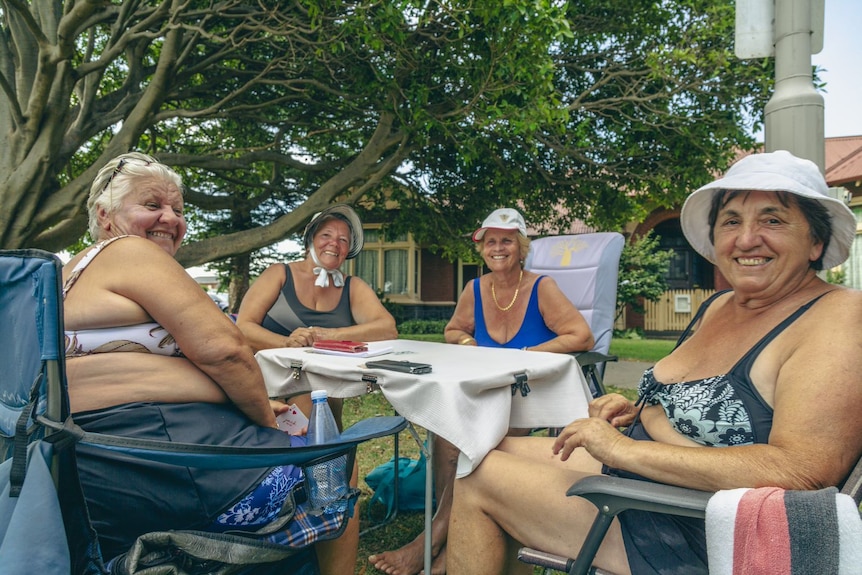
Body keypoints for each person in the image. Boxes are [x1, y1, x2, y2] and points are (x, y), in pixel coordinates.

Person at [446, 151, 862, 575]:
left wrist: (622, 449)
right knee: (484, 449)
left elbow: (803, 471)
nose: (747, 238)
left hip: (693, 523)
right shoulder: (720, 305)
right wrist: (634, 411)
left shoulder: (837, 316)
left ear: (816, 241)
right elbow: (695, 399)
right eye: (732, 221)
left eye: (772, 220)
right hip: (645, 476)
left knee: (479, 477)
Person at [63, 152, 351, 573]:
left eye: (178, 210)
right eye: (152, 205)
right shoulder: (129, 252)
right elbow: (227, 351)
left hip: (101, 472)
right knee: (332, 465)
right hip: (167, 465)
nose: (171, 218)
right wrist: (261, 420)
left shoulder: (69, 274)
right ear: (106, 215)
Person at [369, 207, 594, 575]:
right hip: (485, 389)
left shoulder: (542, 287)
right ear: (482, 249)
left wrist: (523, 355)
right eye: (491, 241)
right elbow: (453, 330)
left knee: (482, 439)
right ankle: (451, 540)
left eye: (506, 240)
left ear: (521, 247)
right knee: (446, 437)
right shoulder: (474, 288)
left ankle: (434, 538)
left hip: (528, 394)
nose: (498, 248)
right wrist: (467, 340)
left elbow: (580, 336)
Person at [236, 203, 397, 574]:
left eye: (344, 239)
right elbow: (243, 326)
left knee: (327, 441)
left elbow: (386, 327)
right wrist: (286, 341)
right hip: (274, 393)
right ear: (310, 238)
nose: (335, 243)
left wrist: (327, 335)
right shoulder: (280, 274)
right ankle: (313, 517)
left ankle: (320, 515)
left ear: (350, 249)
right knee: (331, 460)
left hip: (325, 402)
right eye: (327, 234)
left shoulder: (353, 286)